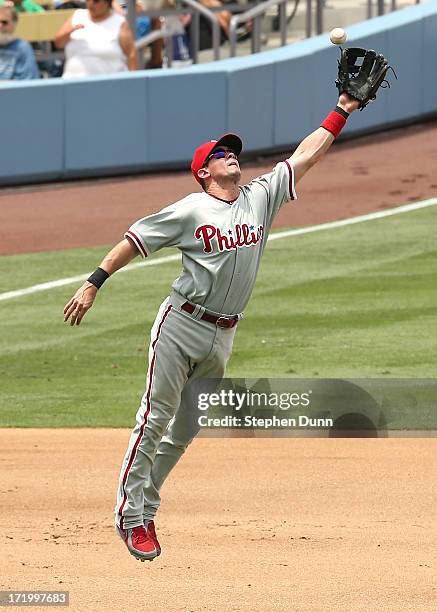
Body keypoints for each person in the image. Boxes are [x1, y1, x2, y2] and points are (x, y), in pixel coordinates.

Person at [63, 92, 361, 561]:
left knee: (185, 428)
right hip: (181, 325)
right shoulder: (189, 210)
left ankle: (145, 503)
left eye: (232, 151)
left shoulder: (261, 197)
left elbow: (307, 153)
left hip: (224, 333)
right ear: (203, 172)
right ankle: (132, 514)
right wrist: (92, 283)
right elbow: (133, 240)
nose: (231, 156)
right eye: (220, 153)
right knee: (155, 418)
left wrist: (342, 109)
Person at [54, 0, 137, 77]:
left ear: (107, 3)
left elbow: (131, 55)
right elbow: (58, 43)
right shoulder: (77, 15)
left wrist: (133, 83)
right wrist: (68, 32)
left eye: (96, 0)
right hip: (72, 86)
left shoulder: (120, 23)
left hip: (109, 86)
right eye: (88, 0)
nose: (90, 3)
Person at [0, 3, 39, 79]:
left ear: (14, 24)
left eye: (4, 22)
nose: (0, 26)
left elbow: (28, 80)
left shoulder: (22, 48)